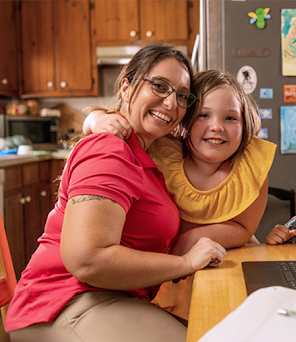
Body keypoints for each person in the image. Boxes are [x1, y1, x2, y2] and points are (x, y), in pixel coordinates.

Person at [5, 44, 226, 342]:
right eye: (159, 86)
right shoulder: (109, 149)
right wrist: (185, 264)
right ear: (127, 85)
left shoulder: (156, 154)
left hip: (114, 299)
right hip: (64, 303)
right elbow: (88, 260)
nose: (171, 103)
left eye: (183, 96)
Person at [84, 70, 276, 318]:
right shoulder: (162, 151)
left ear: (245, 123)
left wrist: (193, 238)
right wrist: (95, 119)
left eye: (230, 118)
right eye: (204, 115)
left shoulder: (251, 166)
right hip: (162, 275)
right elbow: (116, 122)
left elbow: (243, 228)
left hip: (221, 265)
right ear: (184, 120)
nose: (216, 127)